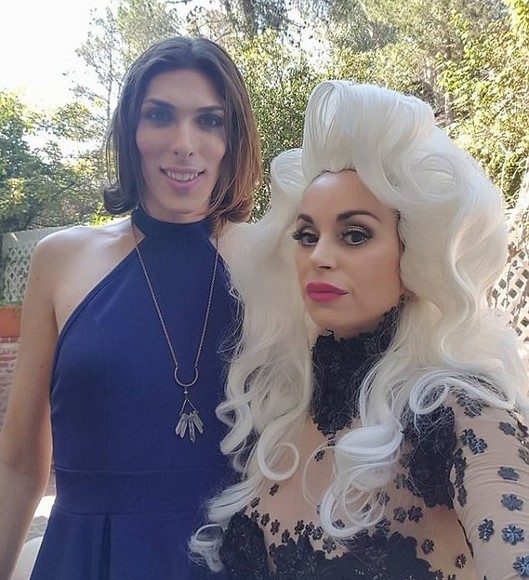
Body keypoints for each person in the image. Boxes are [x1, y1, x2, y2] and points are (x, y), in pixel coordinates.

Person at [191, 80, 529, 578]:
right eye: (307, 235)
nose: (319, 256)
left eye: (354, 235)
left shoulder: (455, 411)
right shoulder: (278, 408)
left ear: (412, 255)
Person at [0, 35, 261, 580]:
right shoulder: (61, 259)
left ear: (232, 138)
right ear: (131, 131)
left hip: (238, 557)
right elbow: (20, 462)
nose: (184, 143)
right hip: (89, 558)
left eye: (209, 120)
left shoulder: (275, 261)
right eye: (159, 115)